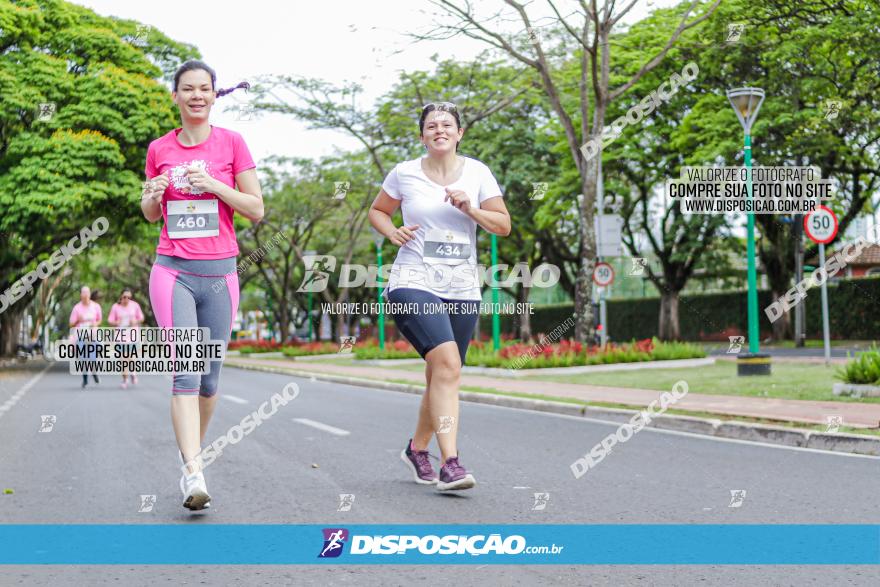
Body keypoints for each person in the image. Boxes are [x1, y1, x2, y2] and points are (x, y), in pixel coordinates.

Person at [368, 102, 510, 491]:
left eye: (447, 125)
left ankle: (417, 449)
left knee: (441, 374)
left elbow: (503, 226)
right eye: (431, 126)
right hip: (413, 279)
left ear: (460, 133)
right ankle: (451, 462)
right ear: (422, 136)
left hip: (462, 286)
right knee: (448, 365)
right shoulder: (405, 173)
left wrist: (471, 208)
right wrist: (391, 231)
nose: (439, 130)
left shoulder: (479, 173)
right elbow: (378, 211)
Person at [140, 60, 263, 511]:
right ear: (174, 96)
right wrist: (151, 197)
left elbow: (256, 209)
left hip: (221, 274)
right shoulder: (159, 148)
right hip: (172, 271)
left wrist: (213, 183)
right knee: (186, 372)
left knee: (209, 383)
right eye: (187, 89)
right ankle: (194, 470)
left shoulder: (232, 143)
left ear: (214, 96)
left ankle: (191, 453)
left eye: (203, 89)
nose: (195, 95)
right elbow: (151, 213)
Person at [107, 289, 145, 389]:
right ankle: (125, 380)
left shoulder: (135, 305)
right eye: (124, 297)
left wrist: (135, 321)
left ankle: (132, 372)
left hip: (133, 337)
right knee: (123, 360)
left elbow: (141, 318)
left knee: (131, 358)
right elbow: (110, 320)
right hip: (120, 338)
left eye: (129, 297)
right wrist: (116, 322)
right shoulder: (116, 307)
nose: (126, 299)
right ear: (121, 296)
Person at [69, 286, 102, 389]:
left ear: (89, 295)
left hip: (93, 336)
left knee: (92, 358)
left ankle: (94, 372)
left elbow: (99, 319)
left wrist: (95, 324)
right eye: (83, 293)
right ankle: (85, 379)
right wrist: (78, 320)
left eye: (87, 293)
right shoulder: (76, 308)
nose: (85, 296)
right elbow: (71, 324)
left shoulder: (96, 306)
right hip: (81, 337)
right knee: (83, 359)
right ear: (81, 295)